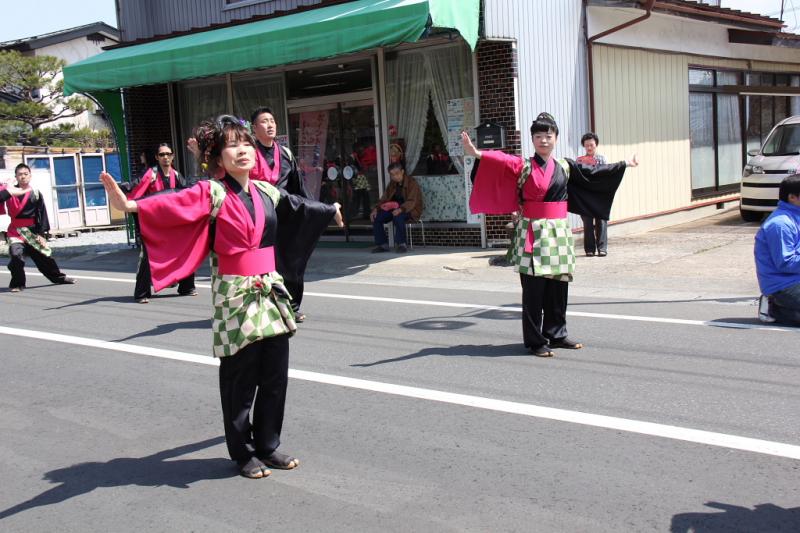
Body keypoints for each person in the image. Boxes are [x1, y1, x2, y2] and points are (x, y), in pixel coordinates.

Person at [100, 115, 343, 479]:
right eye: (232, 144)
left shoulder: (266, 191)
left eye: (246, 143)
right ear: (218, 156)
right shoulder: (211, 191)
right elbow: (173, 201)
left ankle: (268, 445)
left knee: (275, 374)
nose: (242, 149)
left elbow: (298, 206)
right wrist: (131, 205)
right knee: (240, 377)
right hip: (236, 292)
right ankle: (243, 453)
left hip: (270, 290)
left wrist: (330, 210)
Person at [462, 113, 637, 357]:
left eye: (548, 136)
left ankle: (556, 334)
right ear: (532, 139)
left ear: (555, 138)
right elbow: (501, 160)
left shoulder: (565, 166)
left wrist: (623, 164)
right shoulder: (523, 165)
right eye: (539, 136)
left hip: (558, 232)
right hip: (532, 231)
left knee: (558, 287)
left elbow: (594, 172)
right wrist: (478, 154)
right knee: (534, 290)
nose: (544, 140)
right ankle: (535, 341)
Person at [127, 143, 196, 304]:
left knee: (185, 248)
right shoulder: (150, 174)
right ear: (157, 158)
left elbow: (186, 194)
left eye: (168, 154)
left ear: (172, 156)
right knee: (148, 256)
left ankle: (186, 287)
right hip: (152, 223)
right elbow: (134, 192)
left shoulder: (176, 175)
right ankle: (142, 293)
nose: (166, 157)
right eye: (162, 154)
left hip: (171, 222)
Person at [0, 163, 76, 291]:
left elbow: (42, 214)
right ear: (16, 177)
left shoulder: (35, 193)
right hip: (15, 231)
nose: (23, 177)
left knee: (44, 257)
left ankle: (58, 278)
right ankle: (18, 284)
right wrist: (6, 189)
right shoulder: (9, 192)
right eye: (20, 174)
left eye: (25, 174)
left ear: (30, 176)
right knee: (16, 255)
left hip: (32, 230)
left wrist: (41, 234)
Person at [754, 174, 800, 326]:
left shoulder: (795, 216)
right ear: (792, 197)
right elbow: (786, 263)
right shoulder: (780, 224)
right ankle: (774, 307)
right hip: (783, 284)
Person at [370, 162, 423, 253]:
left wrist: (401, 209)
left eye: (397, 173)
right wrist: (376, 209)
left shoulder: (412, 183)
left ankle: (401, 244)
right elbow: (384, 198)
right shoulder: (392, 184)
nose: (395, 176)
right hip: (394, 209)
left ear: (402, 172)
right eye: (392, 175)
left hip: (410, 210)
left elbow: (412, 201)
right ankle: (382, 244)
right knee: (377, 217)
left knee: (398, 216)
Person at [576, 132, 610, 257]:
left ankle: (602, 248)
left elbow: (606, 175)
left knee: (601, 221)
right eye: (587, 145)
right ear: (584, 146)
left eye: (591, 145)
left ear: (596, 145)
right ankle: (589, 249)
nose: (589, 148)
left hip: (599, 195)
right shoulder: (579, 161)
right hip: (585, 197)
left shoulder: (602, 159)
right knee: (587, 223)